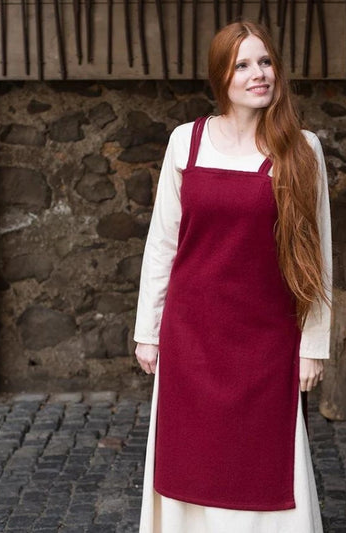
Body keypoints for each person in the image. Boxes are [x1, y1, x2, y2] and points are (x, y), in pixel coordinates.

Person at [133, 20, 332, 533]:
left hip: (266, 338)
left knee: (263, 463)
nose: (257, 74)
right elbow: (162, 244)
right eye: (242, 65)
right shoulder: (185, 142)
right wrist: (148, 332)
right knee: (189, 459)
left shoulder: (301, 149)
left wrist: (313, 345)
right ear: (220, 76)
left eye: (264, 62)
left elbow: (317, 257)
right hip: (191, 336)